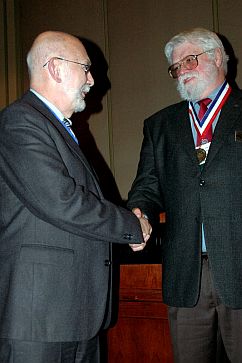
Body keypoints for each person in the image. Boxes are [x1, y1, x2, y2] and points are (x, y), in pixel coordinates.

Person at [0, 31, 151, 363]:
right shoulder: (20, 121)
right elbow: (63, 201)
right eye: (85, 67)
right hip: (38, 321)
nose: (92, 79)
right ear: (55, 68)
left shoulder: (58, 127)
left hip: (74, 315)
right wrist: (131, 225)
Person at [127, 27, 242, 363]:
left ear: (218, 57)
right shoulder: (159, 125)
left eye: (189, 60)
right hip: (186, 275)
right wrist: (139, 212)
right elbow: (147, 187)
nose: (181, 71)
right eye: (176, 67)